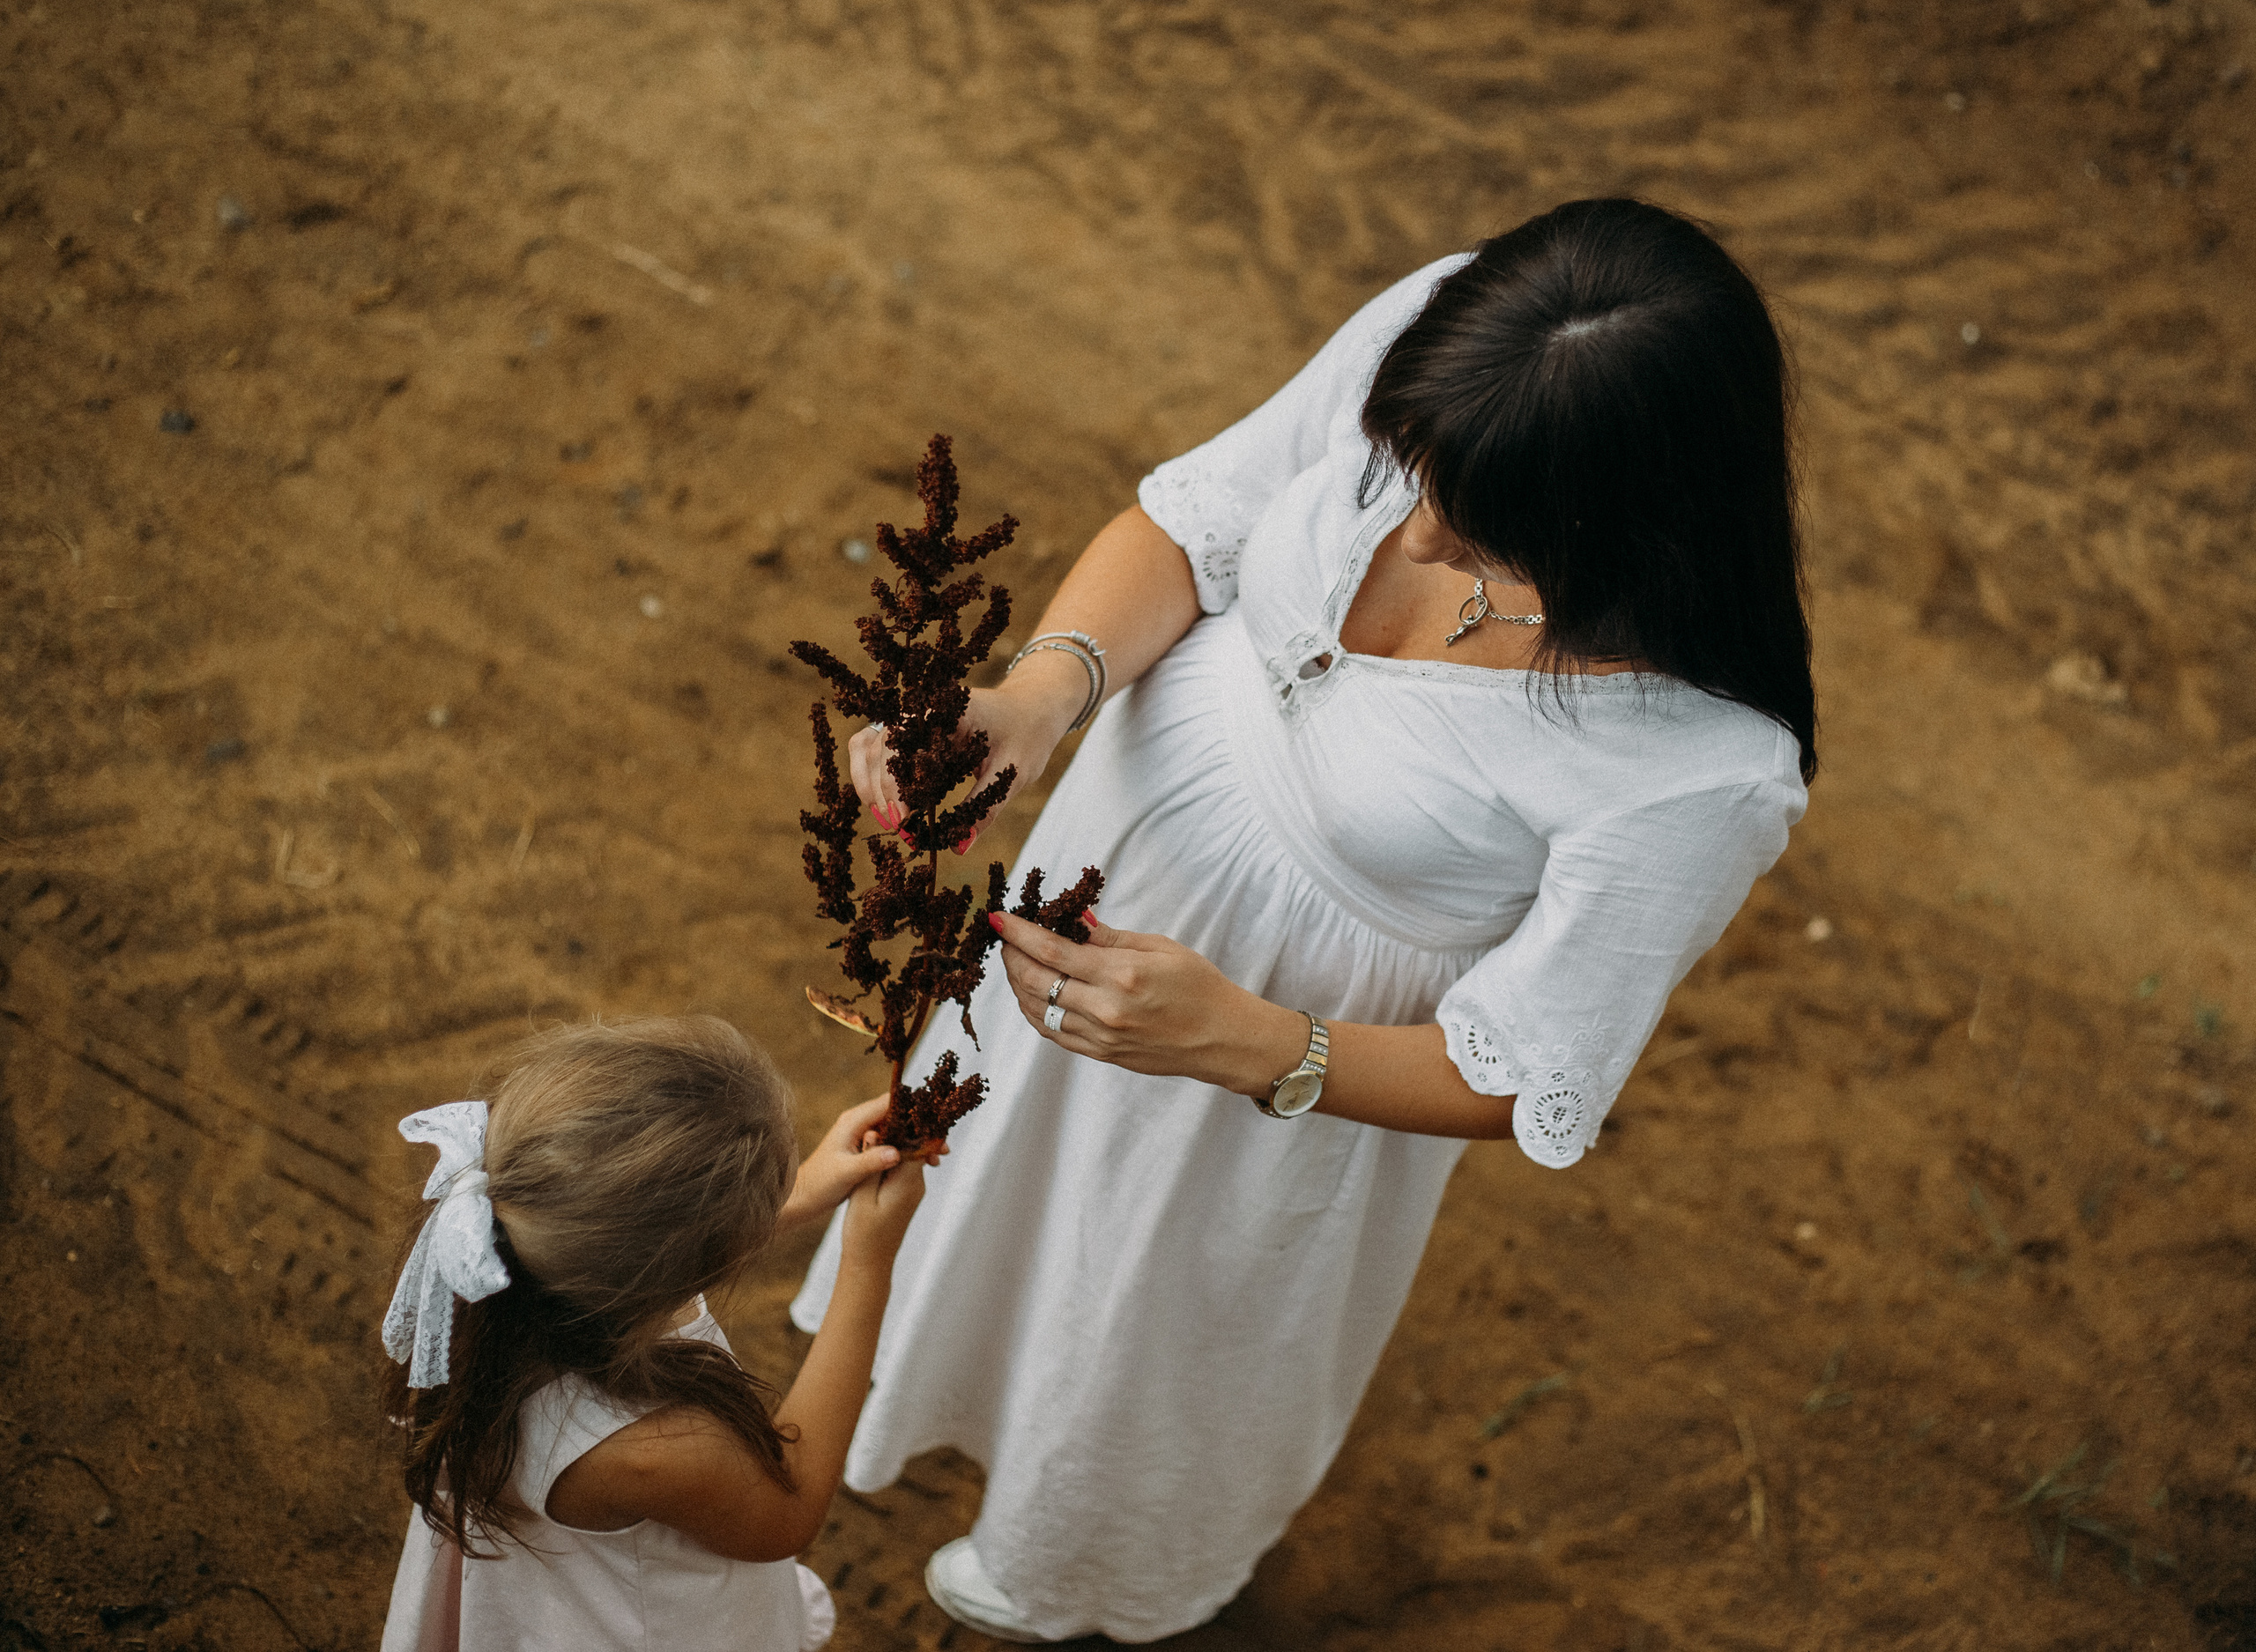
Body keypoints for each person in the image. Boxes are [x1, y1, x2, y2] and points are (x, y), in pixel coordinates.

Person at [791, 197, 1818, 1643]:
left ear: (1632, 536)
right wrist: (1034, 702)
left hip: (1266, 1098)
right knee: (989, 1188)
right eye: (1410, 471)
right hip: (1098, 890)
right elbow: (1195, 524)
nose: (1415, 527)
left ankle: (1069, 1568)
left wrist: (1250, 1042)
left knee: (1149, 1327)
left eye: (1483, 539)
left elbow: (1527, 1069)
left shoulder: (1701, 765)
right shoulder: (1474, 350)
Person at [377, 1017, 930, 1652]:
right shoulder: (648, 1447)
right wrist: (867, 1265)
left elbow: (633, 1241)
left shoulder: (494, 1282)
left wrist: (801, 1189)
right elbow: (789, 1513)